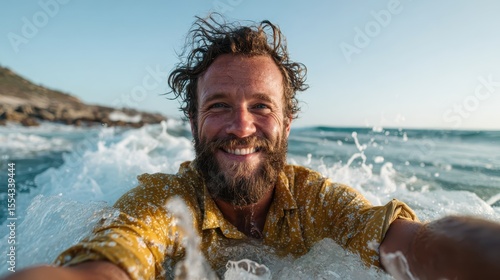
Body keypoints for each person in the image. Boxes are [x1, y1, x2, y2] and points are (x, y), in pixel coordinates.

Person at [4, 14, 500, 280]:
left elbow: (419, 244)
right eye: (218, 105)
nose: (241, 127)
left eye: (261, 107)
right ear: (194, 122)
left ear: (287, 124)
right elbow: (107, 265)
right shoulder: (164, 204)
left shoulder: (319, 203)